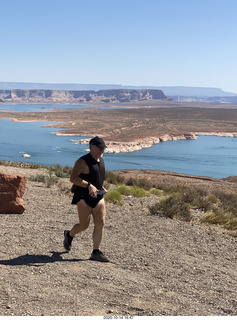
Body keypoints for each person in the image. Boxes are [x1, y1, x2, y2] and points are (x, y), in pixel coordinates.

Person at [63, 136, 109, 262]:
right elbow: (73, 178)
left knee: (100, 223)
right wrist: (89, 185)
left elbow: (96, 177)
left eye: (103, 148)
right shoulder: (82, 161)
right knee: (84, 225)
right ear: (91, 147)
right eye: (99, 148)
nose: (102, 150)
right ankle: (69, 234)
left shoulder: (101, 160)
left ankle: (96, 251)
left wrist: (101, 187)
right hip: (83, 196)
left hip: (98, 195)